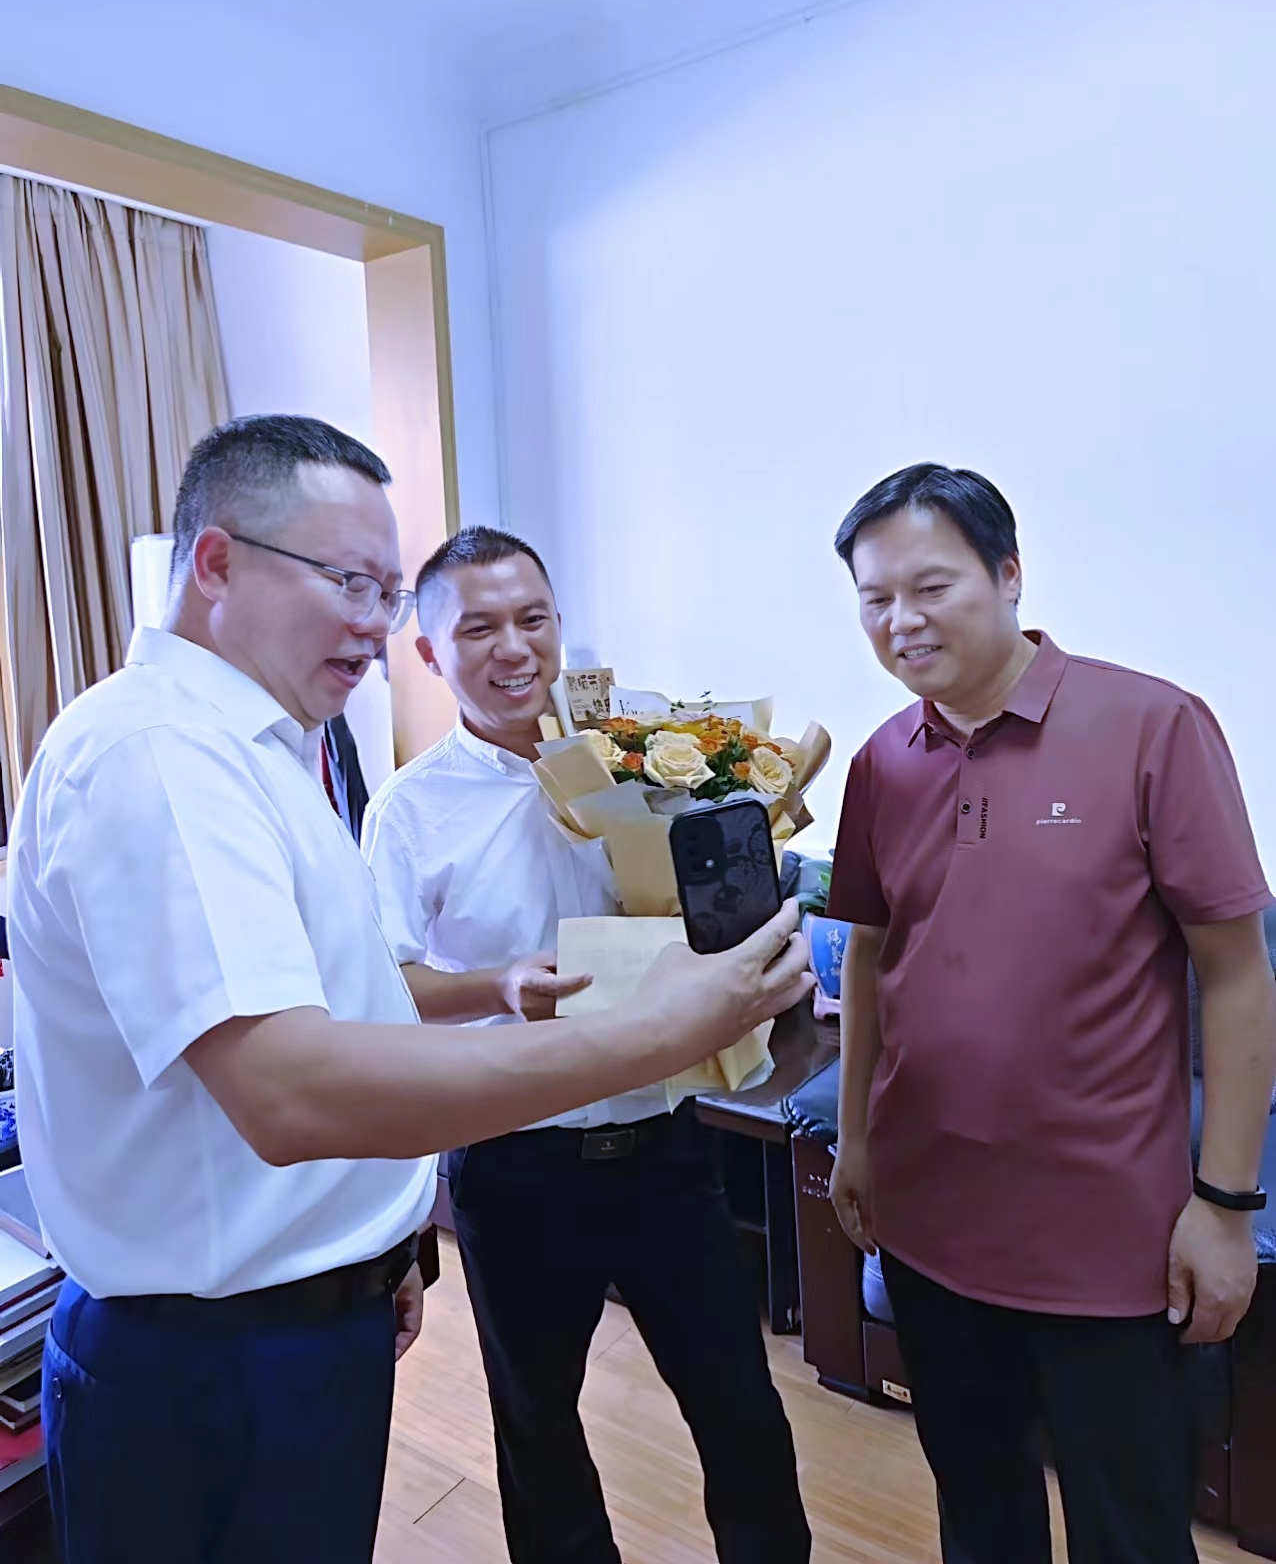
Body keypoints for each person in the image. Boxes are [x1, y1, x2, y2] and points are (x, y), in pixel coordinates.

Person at [7, 415, 813, 1564]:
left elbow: (340, 1013)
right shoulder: (163, 758)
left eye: (382, 592)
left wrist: (372, 1251)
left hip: (316, 1305)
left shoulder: (265, 754)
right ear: (217, 561)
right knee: (540, 1435)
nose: (370, 623)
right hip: (223, 1347)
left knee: (738, 1410)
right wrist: (650, 1026)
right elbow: (290, 1088)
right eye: (350, 583)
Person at [826, 462, 1276, 1564]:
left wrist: (1225, 1205)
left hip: (1107, 1243)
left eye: (930, 586)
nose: (900, 620)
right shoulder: (882, 762)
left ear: (1010, 573)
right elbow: (874, 959)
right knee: (980, 1517)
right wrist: (854, 1140)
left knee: (1131, 1532)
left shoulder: (1151, 726)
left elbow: (1236, 973)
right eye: (875, 599)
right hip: (929, 1225)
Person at [362, 525, 812, 1564]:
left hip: (666, 1145)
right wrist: (496, 987)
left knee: (742, 1411)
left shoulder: (643, 762)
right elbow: (383, 987)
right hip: (516, 1162)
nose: (514, 647)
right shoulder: (410, 809)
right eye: (478, 628)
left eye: (533, 619)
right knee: (539, 1430)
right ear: (429, 653)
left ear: (560, 626)